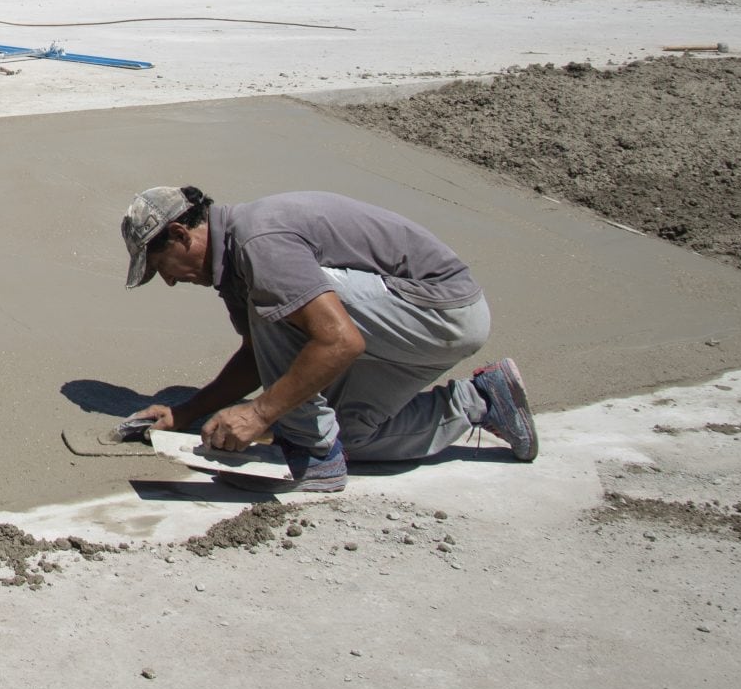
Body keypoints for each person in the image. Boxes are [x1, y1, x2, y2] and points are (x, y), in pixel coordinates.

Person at [120, 185, 536, 492]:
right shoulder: (233, 268)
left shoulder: (257, 241)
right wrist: (188, 411)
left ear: (180, 234)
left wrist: (260, 414)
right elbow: (258, 353)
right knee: (350, 434)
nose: (170, 281)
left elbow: (340, 341)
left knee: (279, 305)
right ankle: (482, 399)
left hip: (443, 310)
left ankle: (315, 457)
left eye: (162, 267)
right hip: (404, 321)